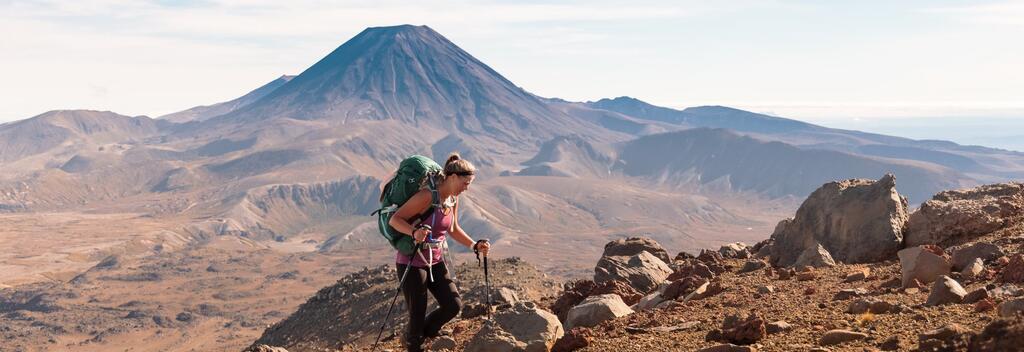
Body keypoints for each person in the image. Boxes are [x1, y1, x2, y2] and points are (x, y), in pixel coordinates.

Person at [387, 153, 490, 352]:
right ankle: (414, 342)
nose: (467, 187)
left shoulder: (452, 199)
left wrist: (474, 246)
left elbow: (452, 229)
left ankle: (413, 337)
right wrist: (414, 232)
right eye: (465, 182)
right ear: (452, 177)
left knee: (453, 305)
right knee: (417, 313)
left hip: (435, 260)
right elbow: (395, 219)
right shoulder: (426, 196)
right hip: (412, 259)